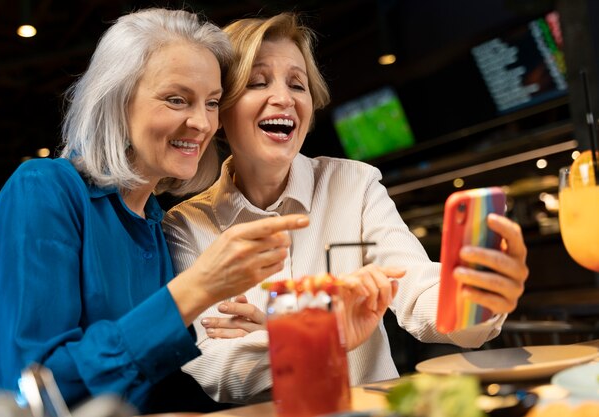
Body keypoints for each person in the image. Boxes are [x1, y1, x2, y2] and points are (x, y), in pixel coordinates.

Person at [163, 12, 529, 404]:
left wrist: (476, 299)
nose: (284, 98)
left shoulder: (354, 185)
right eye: (257, 82)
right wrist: (327, 329)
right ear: (219, 110)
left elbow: (416, 289)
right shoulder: (186, 225)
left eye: (297, 84)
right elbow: (218, 370)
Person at [0, 8, 312, 414]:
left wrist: (278, 352)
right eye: (176, 99)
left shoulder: (157, 226)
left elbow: (161, 385)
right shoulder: (44, 188)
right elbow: (38, 390)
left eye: (212, 103)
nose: (202, 123)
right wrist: (193, 291)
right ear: (116, 100)